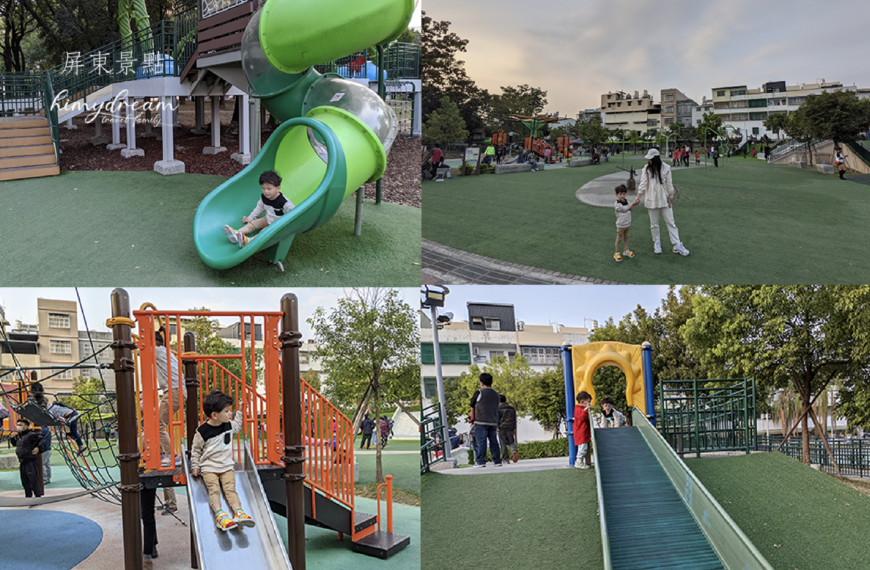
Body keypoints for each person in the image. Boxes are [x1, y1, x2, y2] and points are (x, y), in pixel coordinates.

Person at [190, 390, 255, 532]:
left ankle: (239, 512)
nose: (229, 414)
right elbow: (196, 450)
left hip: (226, 466)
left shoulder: (228, 425)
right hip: (209, 467)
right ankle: (220, 515)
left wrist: (241, 411)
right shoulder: (202, 431)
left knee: (231, 489)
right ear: (215, 415)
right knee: (214, 490)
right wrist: (195, 466)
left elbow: (237, 426)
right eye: (226, 411)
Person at [632, 149, 690, 256]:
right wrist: (638, 196)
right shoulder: (646, 169)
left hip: (664, 198)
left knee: (670, 221)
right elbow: (643, 183)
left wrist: (671, 195)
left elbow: (669, 184)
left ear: (655, 158)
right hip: (651, 198)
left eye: (650, 158)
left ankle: (677, 244)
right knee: (654, 223)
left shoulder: (666, 168)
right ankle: (657, 242)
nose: (648, 160)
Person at [154, 329, 185, 515]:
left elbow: (142, 348)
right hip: (176, 391)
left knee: (158, 425)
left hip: (173, 392)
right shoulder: (167, 352)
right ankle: (170, 455)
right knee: (159, 425)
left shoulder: (157, 350)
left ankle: (171, 455)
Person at [222, 170, 295, 248]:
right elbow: (259, 208)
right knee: (252, 224)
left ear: (278, 188)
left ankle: (250, 241)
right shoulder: (264, 197)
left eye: (269, 189)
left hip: (276, 225)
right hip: (268, 218)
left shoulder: (284, 202)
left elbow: (293, 213)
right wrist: (250, 218)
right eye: (263, 188)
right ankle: (236, 234)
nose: (266, 191)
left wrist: (284, 226)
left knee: (263, 232)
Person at [470, 373, 502, 467]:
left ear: (481, 382)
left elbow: (472, 403)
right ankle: (497, 461)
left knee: (481, 442)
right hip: (493, 421)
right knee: (494, 442)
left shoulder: (479, 393)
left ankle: (480, 462)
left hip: (480, 421)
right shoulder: (497, 394)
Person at [11, 418, 47, 497]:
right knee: (25, 481)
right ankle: (28, 496)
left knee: (33, 479)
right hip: (22, 461)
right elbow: (15, 444)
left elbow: (42, 440)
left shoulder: (31, 435)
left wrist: (38, 448)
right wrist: (12, 438)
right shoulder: (19, 436)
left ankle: (37, 496)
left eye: (20, 425)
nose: (18, 427)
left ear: (26, 426)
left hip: (30, 460)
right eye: (18, 425)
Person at [613, 184, 637, 262]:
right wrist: (632, 204)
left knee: (626, 238)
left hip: (627, 224)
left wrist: (634, 204)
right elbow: (625, 209)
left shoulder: (627, 201)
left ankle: (626, 250)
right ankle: (616, 252)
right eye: (620, 194)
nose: (622, 196)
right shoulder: (617, 205)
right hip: (620, 225)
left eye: (624, 194)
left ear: (626, 194)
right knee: (619, 239)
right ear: (617, 195)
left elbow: (630, 209)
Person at [573, 392, 592, 469]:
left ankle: (582, 461)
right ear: (582, 401)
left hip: (584, 431)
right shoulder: (578, 409)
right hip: (581, 432)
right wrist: (586, 410)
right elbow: (582, 417)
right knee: (583, 448)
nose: (589, 404)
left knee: (585, 447)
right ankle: (578, 461)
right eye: (588, 402)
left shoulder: (580, 408)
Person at [497, 395, 518, 464]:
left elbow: (497, 419)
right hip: (510, 428)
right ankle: (514, 451)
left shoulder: (498, 408)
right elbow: (514, 419)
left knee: (503, 443)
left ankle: (506, 459)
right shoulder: (512, 408)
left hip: (502, 428)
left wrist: (497, 426)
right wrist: (514, 428)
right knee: (511, 441)